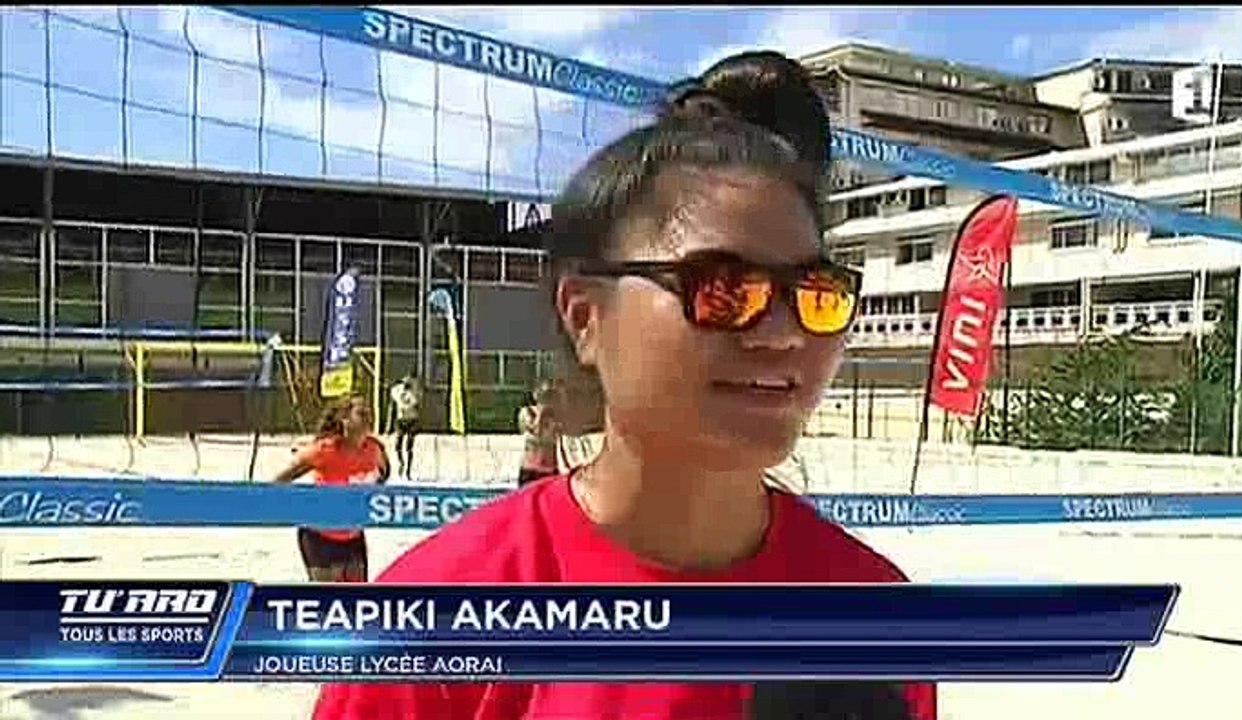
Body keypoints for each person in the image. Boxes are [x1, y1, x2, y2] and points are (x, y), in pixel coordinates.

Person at [313, 50, 936, 720]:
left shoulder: (872, 609)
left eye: (816, 293)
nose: (784, 334)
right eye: (723, 287)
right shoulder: (434, 621)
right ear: (585, 316)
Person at [273, 394, 389, 583]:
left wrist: (368, 498)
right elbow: (280, 480)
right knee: (326, 596)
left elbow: (384, 474)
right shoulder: (324, 450)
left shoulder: (374, 449)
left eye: (369, 414)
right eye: (361, 414)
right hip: (318, 535)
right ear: (345, 420)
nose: (368, 419)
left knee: (358, 596)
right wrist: (299, 505)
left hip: (353, 535)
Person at [516, 379, 559, 486]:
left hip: (550, 469)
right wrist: (542, 412)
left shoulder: (559, 416)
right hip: (530, 469)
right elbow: (537, 431)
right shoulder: (527, 412)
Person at [388, 373, 423, 479]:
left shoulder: (414, 394)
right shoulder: (397, 391)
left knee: (409, 447)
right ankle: (401, 463)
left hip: (411, 420)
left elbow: (415, 403)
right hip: (401, 420)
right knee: (397, 445)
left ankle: (408, 470)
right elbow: (393, 396)